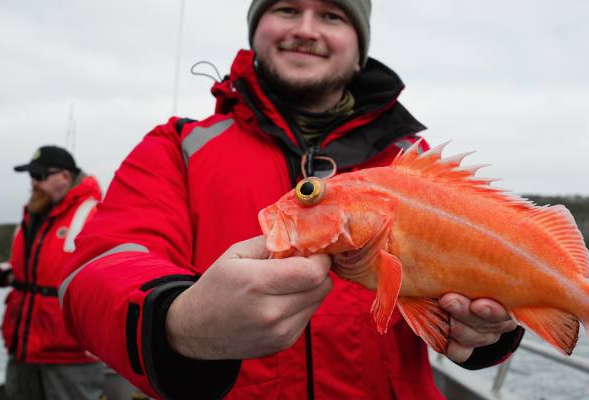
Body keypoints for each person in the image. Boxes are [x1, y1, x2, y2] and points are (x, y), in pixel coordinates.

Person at [59, 1, 525, 399]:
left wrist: (486, 334)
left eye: (331, 16)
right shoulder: (177, 147)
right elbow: (95, 272)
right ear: (256, 28)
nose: (306, 29)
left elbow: (491, 276)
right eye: (286, 9)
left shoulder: (414, 166)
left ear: (359, 48)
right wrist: (178, 320)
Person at [0, 145, 105, 400]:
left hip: (70, 354)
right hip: (24, 347)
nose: (33, 182)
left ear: (64, 176)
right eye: (31, 176)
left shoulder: (93, 214)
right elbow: (25, 269)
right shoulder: (32, 217)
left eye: (39, 175)